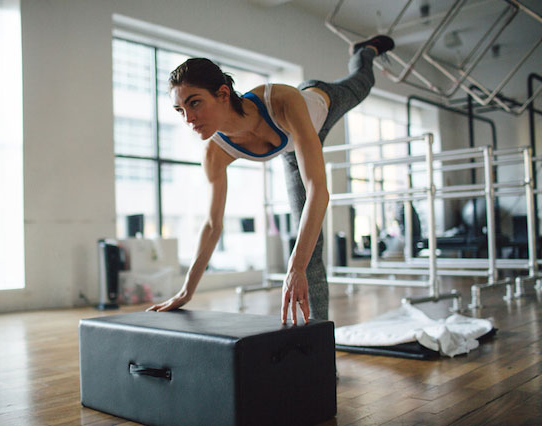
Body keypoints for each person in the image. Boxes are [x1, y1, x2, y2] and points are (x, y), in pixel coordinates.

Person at [147, 35, 395, 324]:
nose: (188, 118)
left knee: (364, 83)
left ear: (223, 94)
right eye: (180, 110)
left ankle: (363, 52)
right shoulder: (215, 153)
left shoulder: (281, 100)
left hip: (318, 106)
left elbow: (319, 190)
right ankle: (318, 344)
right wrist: (186, 290)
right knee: (309, 248)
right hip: (292, 151)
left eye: (195, 103)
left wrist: (294, 265)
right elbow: (213, 225)